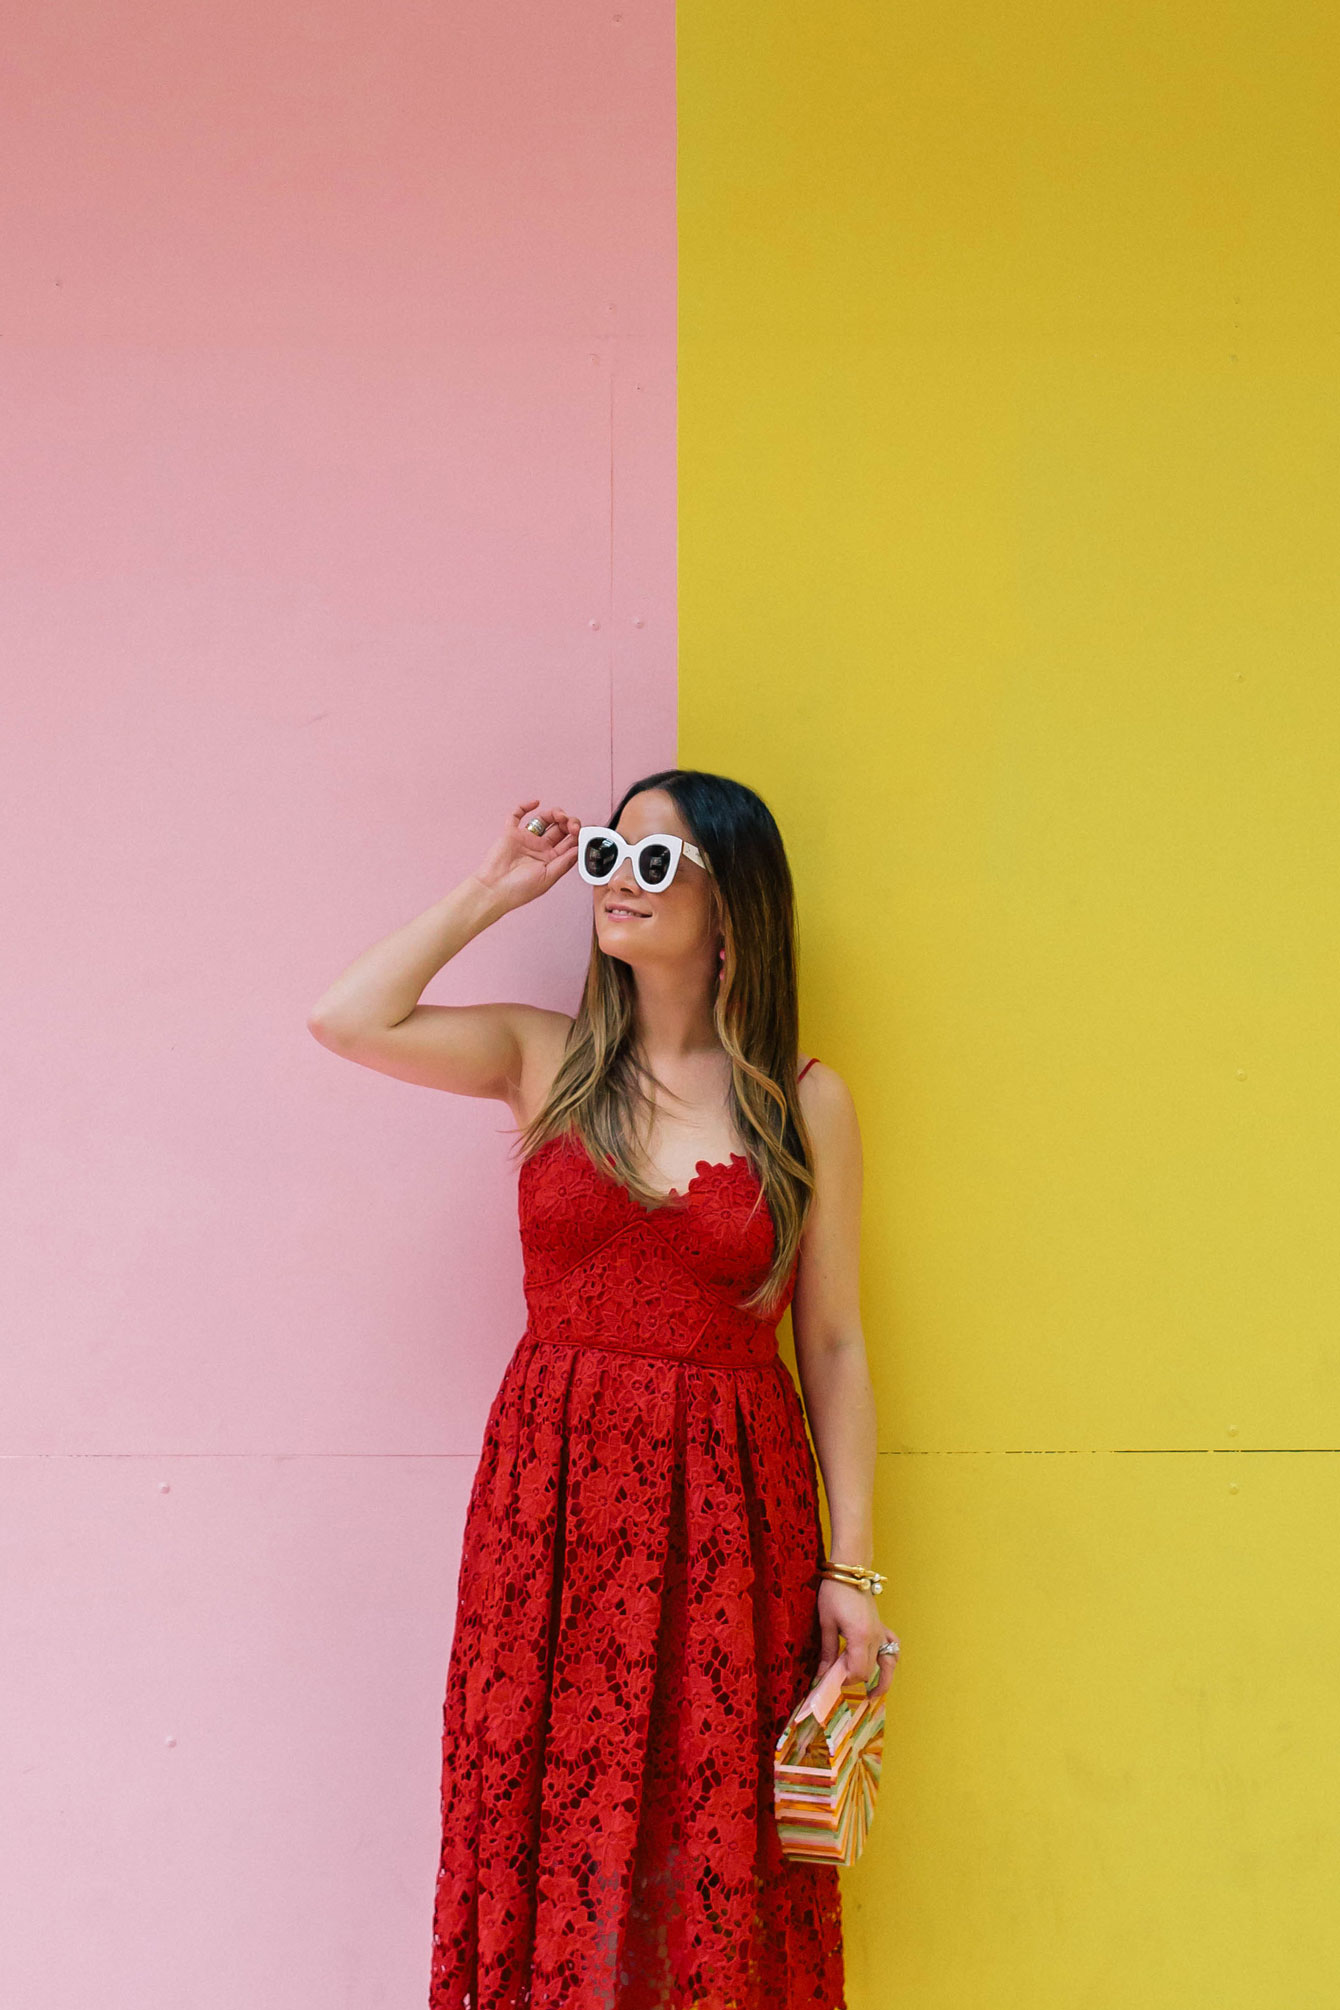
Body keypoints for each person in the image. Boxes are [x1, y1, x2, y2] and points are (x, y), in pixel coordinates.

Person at [307, 768, 897, 2010]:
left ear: (731, 907)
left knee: (711, 1843)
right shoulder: (545, 1057)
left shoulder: (800, 1100)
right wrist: (493, 886)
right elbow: (348, 1019)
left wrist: (850, 1571)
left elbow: (832, 1345)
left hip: (731, 1518)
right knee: (539, 1820)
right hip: (550, 1508)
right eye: (606, 860)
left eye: (653, 864)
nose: (617, 885)